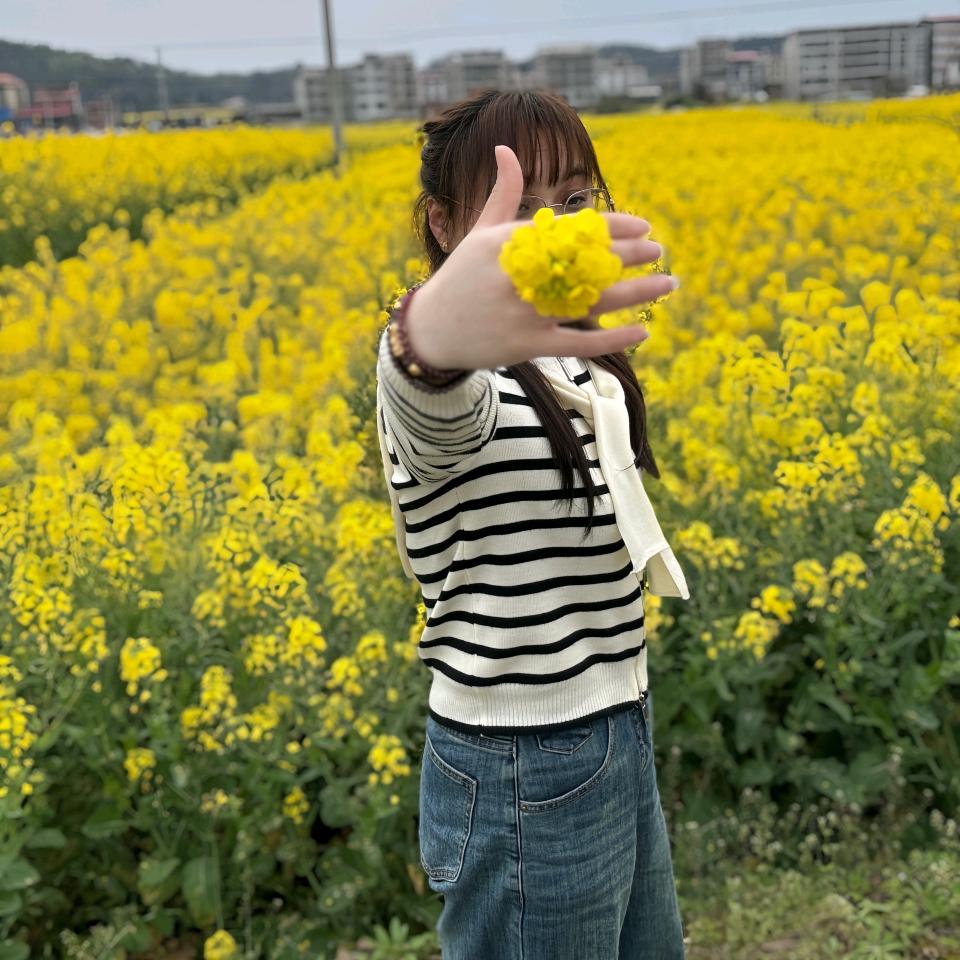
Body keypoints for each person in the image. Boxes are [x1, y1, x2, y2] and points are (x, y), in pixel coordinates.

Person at [375, 89, 687, 959]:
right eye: (519, 209)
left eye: (576, 200)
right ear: (443, 225)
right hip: (520, 760)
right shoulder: (447, 359)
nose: (552, 226)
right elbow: (428, 385)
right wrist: (426, 333)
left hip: (614, 720)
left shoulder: (565, 346)